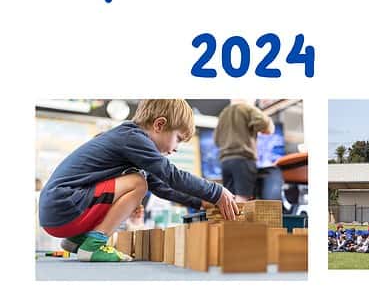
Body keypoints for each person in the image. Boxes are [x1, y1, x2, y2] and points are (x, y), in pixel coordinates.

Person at [39, 99, 239, 261]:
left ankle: (76, 240)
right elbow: (172, 175)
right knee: (138, 183)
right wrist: (217, 192)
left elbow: (162, 187)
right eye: (178, 138)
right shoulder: (133, 138)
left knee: (140, 180)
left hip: (58, 214)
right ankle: (94, 245)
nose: (177, 148)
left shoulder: (132, 148)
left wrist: (200, 202)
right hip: (62, 205)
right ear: (159, 125)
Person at [213, 99, 274, 203]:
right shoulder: (247, 108)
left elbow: (216, 140)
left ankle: (231, 220)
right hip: (243, 160)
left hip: (225, 162)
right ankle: (240, 220)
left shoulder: (223, 113)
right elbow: (266, 126)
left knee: (229, 200)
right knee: (243, 199)